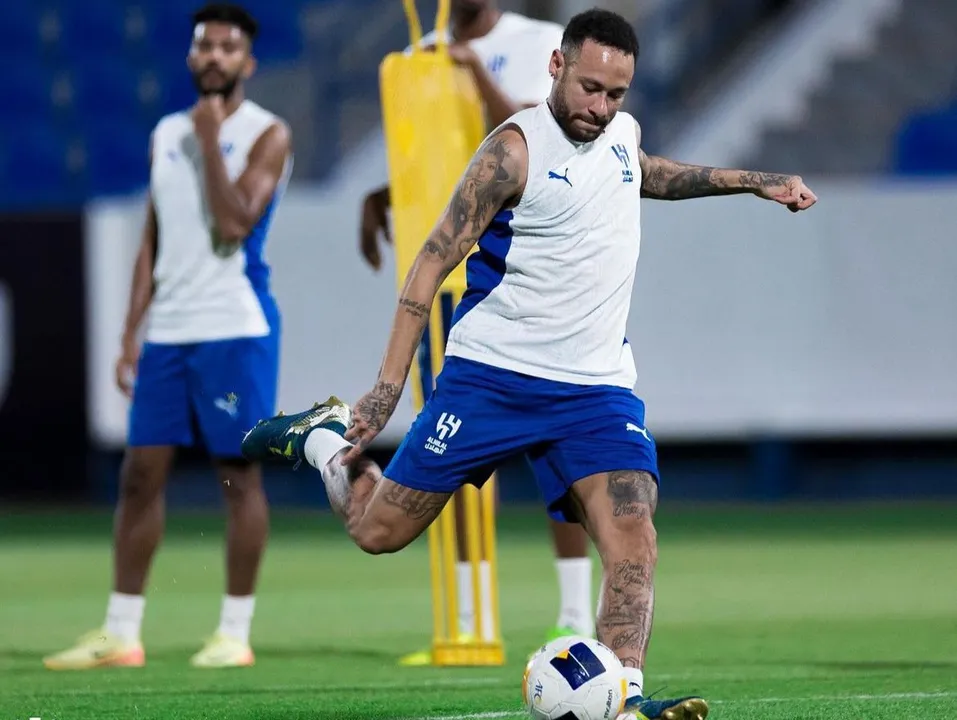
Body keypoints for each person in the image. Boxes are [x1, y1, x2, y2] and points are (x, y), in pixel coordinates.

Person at [243, 7, 815, 719]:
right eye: (588, 88)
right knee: (378, 532)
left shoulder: (618, 134)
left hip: (596, 389)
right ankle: (325, 442)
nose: (600, 107)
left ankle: (626, 699)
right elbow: (427, 266)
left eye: (615, 94)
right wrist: (387, 388)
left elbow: (649, 173)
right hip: (491, 379)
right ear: (556, 66)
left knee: (633, 538)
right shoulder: (510, 152)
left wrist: (752, 180)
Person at [43, 3, 292, 670]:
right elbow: (154, 235)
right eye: (204, 45)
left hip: (235, 328)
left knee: (237, 477)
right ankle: (121, 632)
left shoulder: (267, 133)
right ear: (189, 57)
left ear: (248, 62)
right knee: (139, 475)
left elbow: (235, 223)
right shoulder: (165, 131)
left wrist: (211, 139)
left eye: (227, 47)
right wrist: (131, 332)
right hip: (170, 333)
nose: (214, 56)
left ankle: (233, 633)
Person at [361, 0, 598, 661]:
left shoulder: (537, 41)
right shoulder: (427, 46)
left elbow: (536, 139)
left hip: (538, 264)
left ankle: (573, 612)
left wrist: (470, 72)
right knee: (457, 451)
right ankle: (468, 619)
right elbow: (443, 149)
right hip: (469, 270)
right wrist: (388, 194)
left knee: (563, 453)